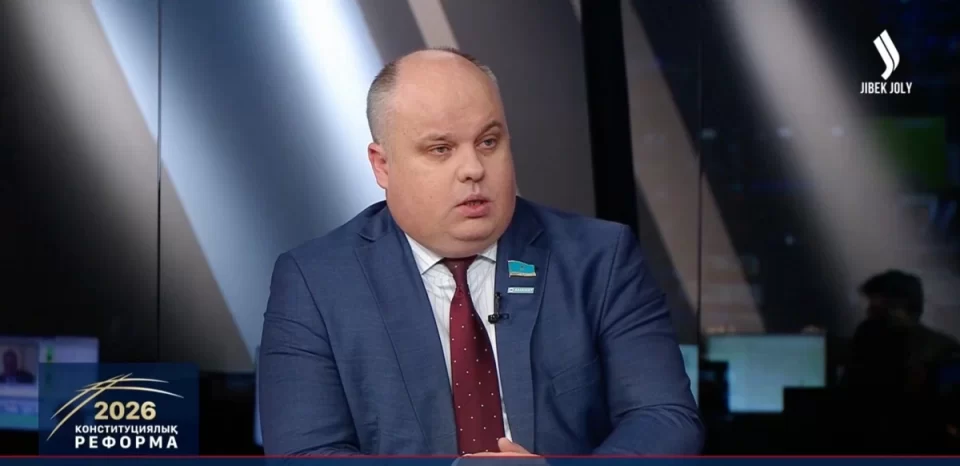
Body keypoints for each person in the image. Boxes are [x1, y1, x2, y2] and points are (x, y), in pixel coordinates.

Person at [258, 47, 703, 456]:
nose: (473, 169)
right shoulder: (315, 283)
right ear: (383, 165)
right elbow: (303, 454)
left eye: (488, 142)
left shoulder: (600, 260)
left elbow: (666, 419)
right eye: (441, 149)